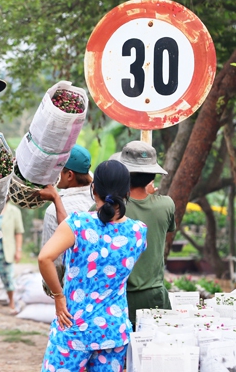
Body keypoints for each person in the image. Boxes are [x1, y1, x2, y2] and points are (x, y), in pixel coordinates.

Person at [38, 160, 147, 371]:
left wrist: (59, 297)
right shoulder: (138, 231)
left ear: (93, 188)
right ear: (127, 192)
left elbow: (45, 258)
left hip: (74, 326)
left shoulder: (77, 223)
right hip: (114, 332)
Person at [111, 141, 176, 329]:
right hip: (154, 295)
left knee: (121, 356)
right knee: (156, 352)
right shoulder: (166, 204)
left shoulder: (109, 208)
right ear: (153, 175)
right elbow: (168, 228)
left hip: (119, 296)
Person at [37, 144, 94, 296]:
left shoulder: (53, 212)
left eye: (57, 171)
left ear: (69, 175)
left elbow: (53, 261)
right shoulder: (101, 196)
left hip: (73, 292)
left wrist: (55, 292)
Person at [0, 198, 24, 314]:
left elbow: (18, 232)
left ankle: (12, 304)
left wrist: (18, 250)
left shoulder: (14, 211)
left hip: (6, 252)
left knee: (8, 279)